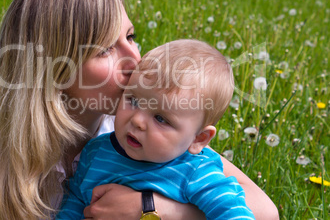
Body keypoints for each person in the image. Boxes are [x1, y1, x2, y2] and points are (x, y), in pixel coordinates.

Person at [0, 0, 278, 220]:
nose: (135, 59)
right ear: (50, 68)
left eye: (131, 36)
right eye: (103, 50)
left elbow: (264, 211)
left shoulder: (140, 128)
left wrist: (154, 209)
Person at [57, 39, 255, 219]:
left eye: (161, 118)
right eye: (133, 100)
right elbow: (73, 203)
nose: (138, 121)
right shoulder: (95, 153)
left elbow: (234, 213)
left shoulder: (196, 172)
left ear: (198, 139)